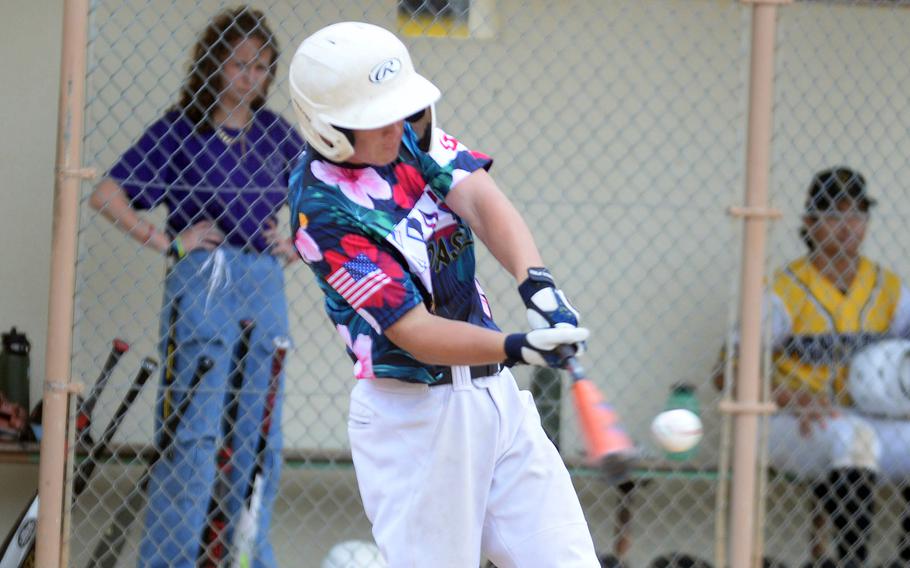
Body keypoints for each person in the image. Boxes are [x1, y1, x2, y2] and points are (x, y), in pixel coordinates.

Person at [287, 21, 598, 568]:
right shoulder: (322, 210)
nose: (395, 127)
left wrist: (539, 286)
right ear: (329, 127)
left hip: (495, 401)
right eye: (374, 118)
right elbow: (415, 333)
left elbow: (479, 199)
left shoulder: (409, 135)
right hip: (416, 420)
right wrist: (518, 346)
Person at [89, 7, 301, 567]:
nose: (250, 77)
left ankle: (248, 556)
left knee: (261, 436)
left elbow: (325, 196)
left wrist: (301, 243)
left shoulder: (278, 133)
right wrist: (168, 242)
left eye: (261, 66)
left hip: (262, 281)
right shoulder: (181, 128)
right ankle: (171, 561)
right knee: (194, 437)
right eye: (238, 64)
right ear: (212, 65)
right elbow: (107, 193)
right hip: (203, 282)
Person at [713, 167, 910, 567]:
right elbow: (726, 373)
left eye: (856, 214)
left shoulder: (887, 288)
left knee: (860, 434)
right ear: (809, 223)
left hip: (869, 418)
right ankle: (852, 561)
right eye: (834, 215)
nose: (847, 227)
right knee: (851, 437)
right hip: (788, 421)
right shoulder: (783, 291)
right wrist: (791, 396)